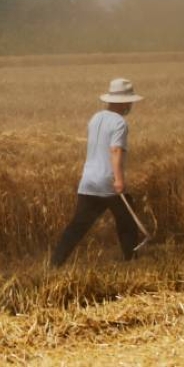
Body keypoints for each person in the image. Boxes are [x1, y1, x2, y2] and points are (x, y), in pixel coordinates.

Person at [51, 78, 144, 267]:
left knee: (77, 226)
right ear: (125, 102)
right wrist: (119, 180)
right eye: (130, 101)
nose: (131, 105)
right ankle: (131, 261)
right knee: (127, 223)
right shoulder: (119, 123)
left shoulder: (96, 118)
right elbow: (116, 150)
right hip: (108, 182)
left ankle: (54, 263)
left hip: (88, 180)